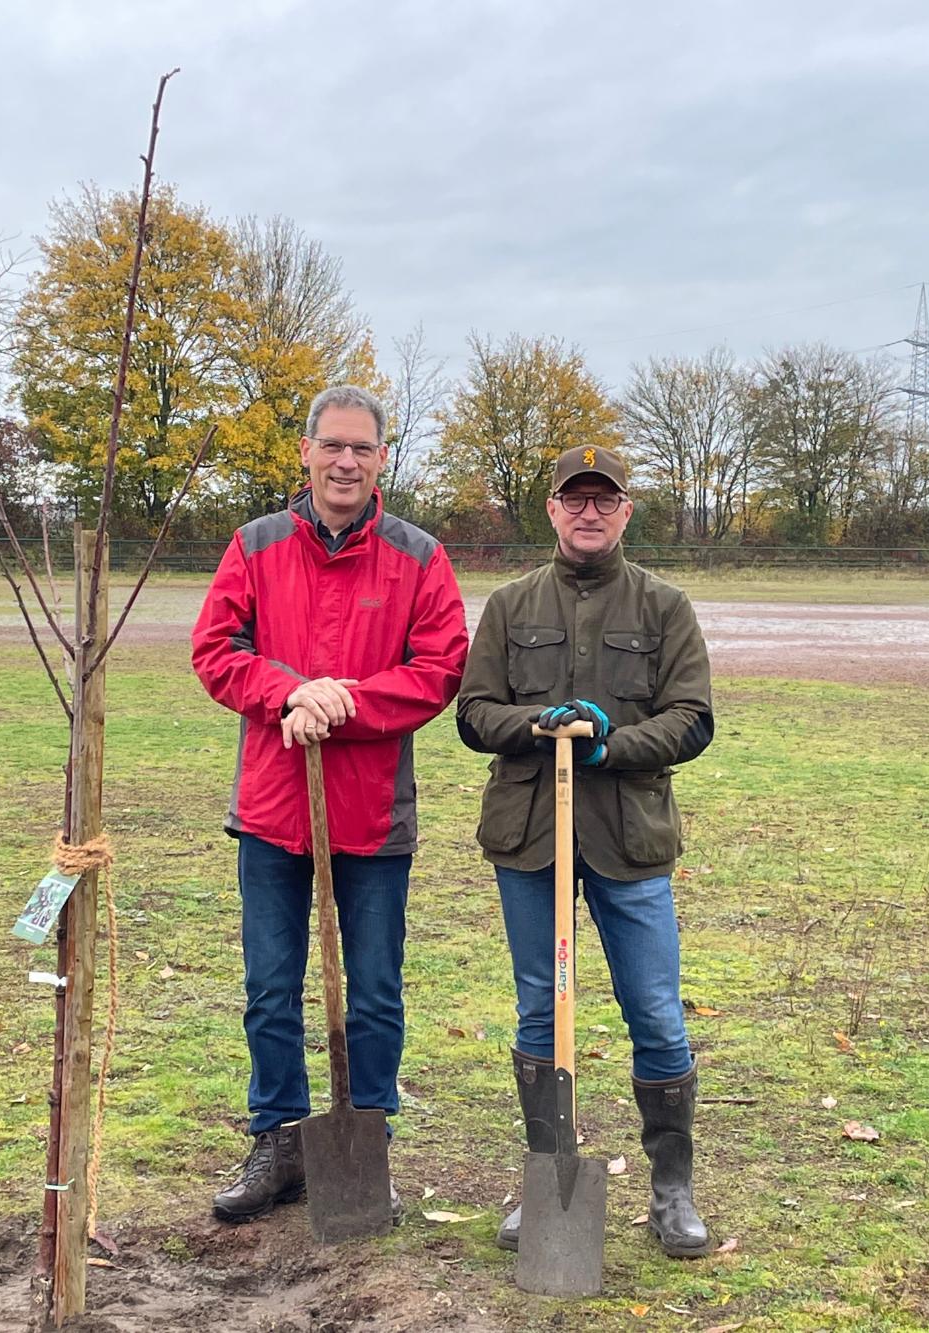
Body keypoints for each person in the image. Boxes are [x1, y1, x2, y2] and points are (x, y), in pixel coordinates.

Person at [193, 384, 468, 1223]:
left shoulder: (419, 556)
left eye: (363, 448)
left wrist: (341, 701)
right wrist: (287, 693)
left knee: (375, 989)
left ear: (382, 458)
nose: (346, 461)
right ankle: (279, 1137)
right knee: (271, 986)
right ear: (306, 452)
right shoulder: (256, 545)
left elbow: (439, 670)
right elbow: (215, 648)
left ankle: (366, 1139)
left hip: (374, 816)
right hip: (275, 810)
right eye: (333, 446)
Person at [456, 444, 714, 1258]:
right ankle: (548, 1175)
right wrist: (536, 726)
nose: (590, 511)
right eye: (576, 499)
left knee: (656, 1013)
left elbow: (693, 718)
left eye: (605, 499)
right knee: (542, 1007)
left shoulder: (665, 605)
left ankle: (672, 1190)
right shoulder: (508, 603)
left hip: (628, 836)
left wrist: (613, 744)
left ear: (625, 511)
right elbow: (470, 713)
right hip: (530, 836)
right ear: (554, 510)